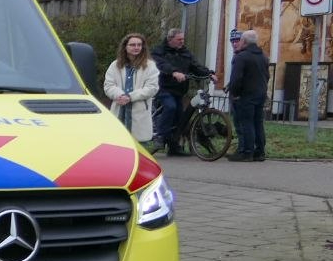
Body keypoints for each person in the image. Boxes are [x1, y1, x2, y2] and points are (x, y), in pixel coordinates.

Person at [150, 27, 216, 156]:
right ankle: (160, 136)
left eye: (183, 39)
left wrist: (209, 73)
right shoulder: (159, 51)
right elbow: (161, 64)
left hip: (179, 91)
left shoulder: (185, 53)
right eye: (179, 39)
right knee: (170, 107)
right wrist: (173, 72)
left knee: (180, 117)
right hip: (163, 88)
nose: (182, 42)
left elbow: (195, 66)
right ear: (170, 39)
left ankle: (174, 147)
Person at [103, 32, 160, 145]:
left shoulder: (150, 66)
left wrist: (130, 97)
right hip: (119, 111)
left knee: (139, 151)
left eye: (139, 45)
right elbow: (108, 85)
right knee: (118, 149)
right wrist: (120, 95)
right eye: (133, 45)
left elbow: (152, 88)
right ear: (125, 47)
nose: (136, 47)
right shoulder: (115, 65)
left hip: (139, 113)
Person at [226, 28, 268, 162]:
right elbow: (267, 76)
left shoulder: (241, 57)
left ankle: (246, 152)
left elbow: (236, 79)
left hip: (245, 96)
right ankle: (259, 151)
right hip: (260, 94)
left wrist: (235, 93)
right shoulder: (263, 56)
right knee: (258, 122)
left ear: (244, 41)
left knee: (246, 123)